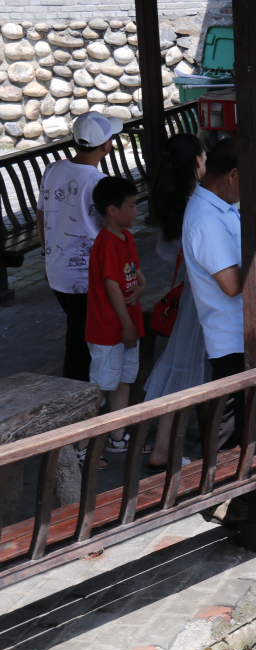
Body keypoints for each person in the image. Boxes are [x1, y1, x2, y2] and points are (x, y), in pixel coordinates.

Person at [36, 111, 123, 382]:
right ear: (107, 145)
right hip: (88, 275)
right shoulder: (99, 182)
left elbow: (41, 213)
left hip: (58, 269)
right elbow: (112, 227)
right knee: (83, 340)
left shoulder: (54, 169)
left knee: (78, 331)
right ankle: (79, 399)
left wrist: (46, 252)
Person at [143, 134, 208, 472]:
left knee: (179, 363)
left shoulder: (171, 200)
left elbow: (165, 252)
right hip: (203, 295)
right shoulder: (200, 201)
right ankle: (166, 447)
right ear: (198, 161)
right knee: (186, 368)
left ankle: (160, 443)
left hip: (188, 291)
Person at [182, 138, 247, 450]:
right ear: (232, 175)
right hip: (230, 334)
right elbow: (232, 285)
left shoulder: (222, 208)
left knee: (239, 420)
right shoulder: (205, 219)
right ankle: (212, 491)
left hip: (241, 329)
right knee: (228, 427)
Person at [81, 176, 144, 467]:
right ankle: (81, 447)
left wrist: (141, 287)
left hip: (126, 326)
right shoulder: (105, 244)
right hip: (109, 329)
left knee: (123, 381)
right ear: (112, 210)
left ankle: (117, 437)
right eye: (131, 205)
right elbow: (112, 287)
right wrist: (127, 326)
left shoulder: (127, 237)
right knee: (101, 388)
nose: (136, 210)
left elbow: (136, 275)